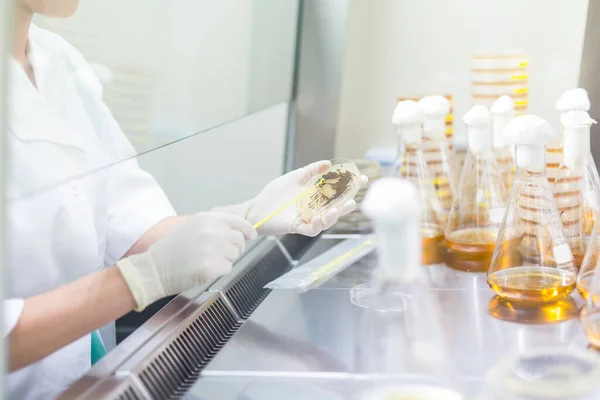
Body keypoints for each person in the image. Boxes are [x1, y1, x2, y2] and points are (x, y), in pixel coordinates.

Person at [5, 1, 364, 399]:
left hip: (86, 383)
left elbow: (132, 225)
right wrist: (143, 279)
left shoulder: (60, 62)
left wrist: (250, 214)